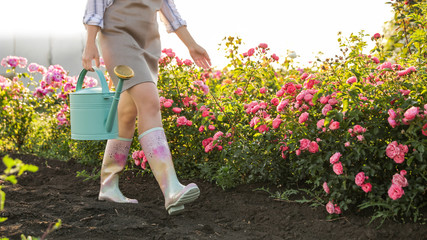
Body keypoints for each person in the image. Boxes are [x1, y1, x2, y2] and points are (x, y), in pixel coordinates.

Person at [81, 0, 211, 215]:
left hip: (148, 44)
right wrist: (90, 43)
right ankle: (171, 188)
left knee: (126, 113)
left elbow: (171, 13)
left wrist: (191, 45)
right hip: (117, 38)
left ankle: (109, 185)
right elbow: (95, 7)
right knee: (150, 103)